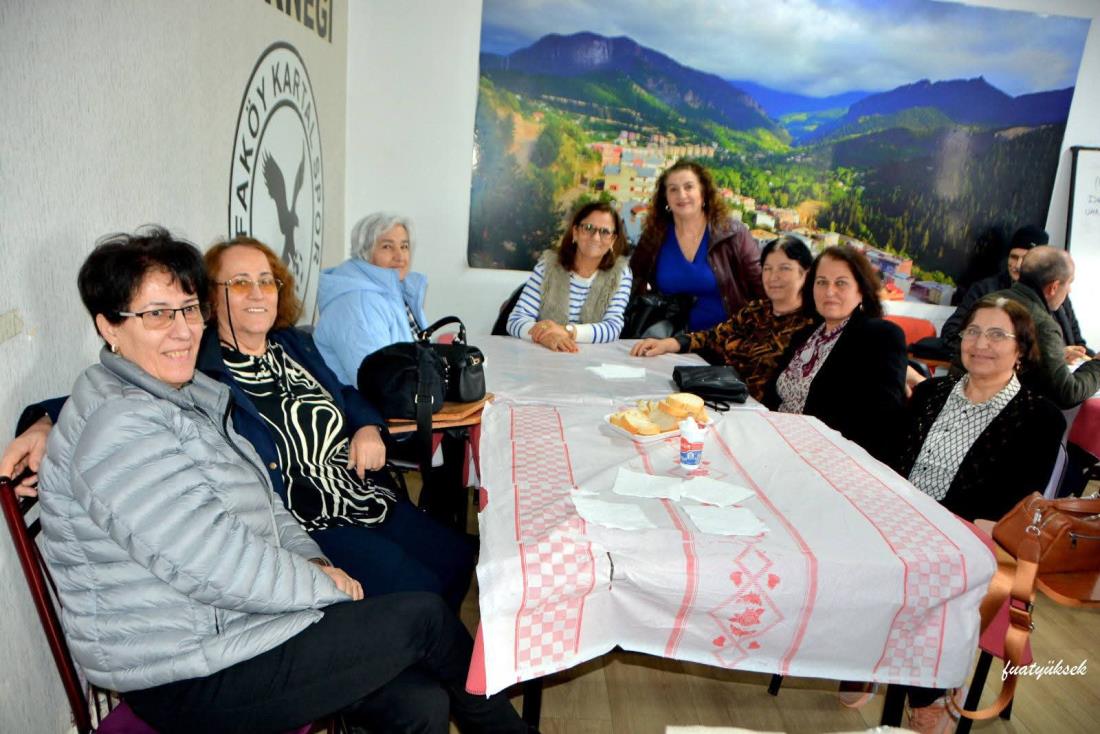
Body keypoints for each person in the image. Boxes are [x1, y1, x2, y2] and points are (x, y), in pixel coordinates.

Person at [34, 229, 528, 733]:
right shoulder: (123, 427)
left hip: (246, 623)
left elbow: (267, 503)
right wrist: (320, 583)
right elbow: (216, 564)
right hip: (189, 669)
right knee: (426, 620)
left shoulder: (184, 394)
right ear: (109, 327)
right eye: (158, 314)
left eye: (188, 310)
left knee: (420, 700)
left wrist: (313, 560)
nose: (182, 331)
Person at [5, 235, 475, 612]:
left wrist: (368, 426)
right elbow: (111, 389)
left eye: (267, 281)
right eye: (240, 283)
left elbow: (344, 393)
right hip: (305, 522)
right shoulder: (196, 363)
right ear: (211, 296)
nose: (257, 293)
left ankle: (422, 663)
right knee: (420, 589)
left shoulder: (293, 345)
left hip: (360, 492)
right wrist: (43, 422)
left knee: (457, 558)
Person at [893, 296, 1064, 732]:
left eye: (997, 335)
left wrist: (932, 524)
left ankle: (929, 689)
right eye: (973, 332)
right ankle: (875, 661)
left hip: (972, 537)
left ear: (1021, 349)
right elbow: (893, 463)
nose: (981, 343)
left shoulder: (1040, 417)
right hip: (899, 520)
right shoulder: (930, 393)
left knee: (928, 573)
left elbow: (1009, 508)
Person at [765, 245, 908, 463]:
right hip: (777, 443)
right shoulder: (804, 335)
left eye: (841, 283)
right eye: (821, 282)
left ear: (861, 290)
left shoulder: (881, 337)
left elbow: (882, 420)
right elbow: (772, 396)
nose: (829, 291)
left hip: (829, 458)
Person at [629, 234, 814, 401]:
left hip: (761, 413)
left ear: (805, 273)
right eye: (767, 268)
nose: (773, 277)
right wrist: (669, 343)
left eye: (784, 268)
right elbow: (715, 336)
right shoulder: (756, 310)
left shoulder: (809, 327)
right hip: (724, 397)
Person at [628, 160, 764, 334]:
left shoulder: (733, 234)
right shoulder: (654, 237)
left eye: (689, 187)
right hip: (668, 341)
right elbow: (632, 282)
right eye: (673, 189)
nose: (681, 195)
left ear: (703, 193)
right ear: (665, 198)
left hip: (725, 341)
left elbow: (761, 287)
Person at [942, 225, 1091, 359]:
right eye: (1014, 257)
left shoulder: (1058, 294)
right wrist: (1053, 355)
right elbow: (950, 334)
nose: (1018, 265)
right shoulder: (985, 290)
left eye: (1025, 258)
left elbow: (1078, 344)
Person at [314, 212, 426, 387]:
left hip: (408, 397)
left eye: (404, 246)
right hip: (367, 403)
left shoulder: (397, 292)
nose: (399, 256)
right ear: (365, 252)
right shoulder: (358, 304)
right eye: (387, 247)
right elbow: (379, 385)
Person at [506, 202, 632, 352]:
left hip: (592, 359)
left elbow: (613, 328)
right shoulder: (547, 266)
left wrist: (567, 331)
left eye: (605, 232)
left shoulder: (620, 274)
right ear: (575, 232)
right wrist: (544, 336)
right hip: (544, 356)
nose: (596, 237)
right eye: (588, 228)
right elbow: (515, 321)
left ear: (613, 240)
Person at [992, 246, 1100, 409]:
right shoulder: (1043, 325)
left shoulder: (987, 302)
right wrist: (1097, 365)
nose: (1070, 290)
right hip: (1010, 414)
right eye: (1069, 283)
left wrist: (1053, 356)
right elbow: (1067, 394)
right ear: (1053, 288)